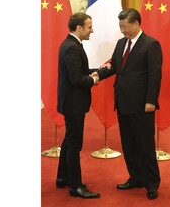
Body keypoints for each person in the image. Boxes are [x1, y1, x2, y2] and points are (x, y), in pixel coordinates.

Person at [93, 8, 162, 199]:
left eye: (125, 26)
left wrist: (150, 101)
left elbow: (155, 76)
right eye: (120, 27)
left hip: (142, 105)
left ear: (136, 24)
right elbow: (115, 67)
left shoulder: (151, 44)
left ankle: (152, 182)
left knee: (145, 144)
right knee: (129, 144)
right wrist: (96, 74)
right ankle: (136, 177)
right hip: (123, 103)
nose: (122, 30)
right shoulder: (122, 43)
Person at [56, 12, 100, 199]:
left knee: (68, 140)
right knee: (74, 143)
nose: (92, 30)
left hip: (70, 101)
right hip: (73, 103)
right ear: (79, 28)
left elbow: (79, 71)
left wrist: (98, 71)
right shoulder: (72, 47)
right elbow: (77, 78)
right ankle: (75, 186)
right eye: (89, 26)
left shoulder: (71, 44)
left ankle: (62, 177)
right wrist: (93, 80)